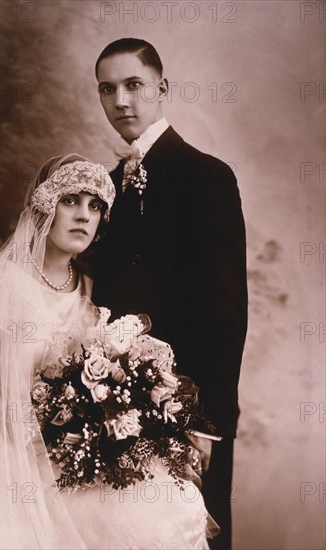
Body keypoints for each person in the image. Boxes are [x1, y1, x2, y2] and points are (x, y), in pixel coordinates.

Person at [0, 154, 216, 549]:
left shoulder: (91, 289)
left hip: (80, 461)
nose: (84, 215)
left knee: (175, 503)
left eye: (95, 205)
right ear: (44, 205)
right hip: (11, 467)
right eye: (71, 200)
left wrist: (115, 431)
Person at [92, 38, 248, 550]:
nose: (121, 101)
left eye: (134, 85)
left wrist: (208, 424)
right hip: (120, 409)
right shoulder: (108, 187)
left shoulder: (205, 176)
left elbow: (226, 312)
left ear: (162, 89)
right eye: (108, 89)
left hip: (189, 410)